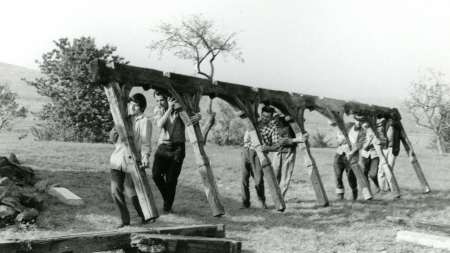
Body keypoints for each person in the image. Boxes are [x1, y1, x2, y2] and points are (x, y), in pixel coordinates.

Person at [152, 90, 201, 213]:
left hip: (178, 148)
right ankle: (167, 199)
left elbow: (194, 114)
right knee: (156, 175)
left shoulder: (181, 109)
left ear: (168, 99)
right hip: (163, 147)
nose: (159, 103)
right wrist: (169, 109)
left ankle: (167, 207)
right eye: (157, 101)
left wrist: (198, 117)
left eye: (161, 100)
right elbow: (159, 123)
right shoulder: (158, 109)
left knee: (171, 180)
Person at [109, 93, 152, 228]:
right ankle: (124, 221)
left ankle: (145, 216)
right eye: (131, 104)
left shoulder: (145, 121)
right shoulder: (123, 119)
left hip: (132, 162)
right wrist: (116, 127)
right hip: (117, 160)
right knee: (115, 190)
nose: (133, 108)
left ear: (142, 107)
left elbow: (145, 142)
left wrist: (145, 156)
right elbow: (112, 139)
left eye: (136, 105)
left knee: (131, 193)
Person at [270, 111, 308, 199]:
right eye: (271, 119)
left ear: (277, 116)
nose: (273, 121)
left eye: (274, 117)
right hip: (277, 152)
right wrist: (295, 140)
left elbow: (301, 131)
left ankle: (280, 198)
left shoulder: (288, 122)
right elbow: (278, 140)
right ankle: (275, 196)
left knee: (286, 176)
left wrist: (305, 135)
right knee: (275, 175)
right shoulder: (270, 127)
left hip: (290, 152)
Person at [329, 115, 366, 200]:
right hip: (340, 153)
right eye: (358, 120)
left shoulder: (363, 132)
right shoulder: (348, 125)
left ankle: (354, 192)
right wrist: (339, 139)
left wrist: (351, 152)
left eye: (361, 121)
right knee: (338, 175)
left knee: (351, 177)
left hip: (351, 157)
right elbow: (339, 132)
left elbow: (359, 145)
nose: (359, 123)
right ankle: (340, 195)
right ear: (355, 120)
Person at [377, 115, 401, 191]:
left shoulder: (397, 127)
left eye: (393, 120)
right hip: (384, 148)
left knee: (390, 168)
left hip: (393, 149)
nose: (392, 121)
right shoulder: (384, 124)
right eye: (390, 119)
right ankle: (381, 187)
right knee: (381, 168)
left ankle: (389, 187)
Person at [361, 120, 381, 191]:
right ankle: (368, 189)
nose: (366, 127)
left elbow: (381, 143)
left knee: (373, 175)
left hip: (375, 155)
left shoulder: (376, 134)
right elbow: (364, 148)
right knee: (364, 172)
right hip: (365, 155)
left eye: (368, 126)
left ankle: (378, 186)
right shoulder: (362, 134)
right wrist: (369, 141)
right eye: (365, 126)